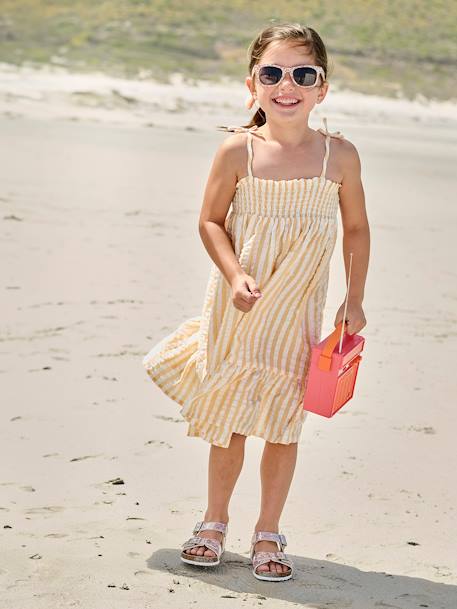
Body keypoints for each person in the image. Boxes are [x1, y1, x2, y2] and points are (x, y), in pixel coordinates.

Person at [143, 22, 369, 582]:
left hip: (296, 316)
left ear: (322, 88)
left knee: (283, 425)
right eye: (272, 73)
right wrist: (235, 272)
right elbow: (210, 221)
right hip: (238, 309)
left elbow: (357, 230)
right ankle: (213, 522)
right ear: (253, 84)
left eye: (302, 74)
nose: (286, 84)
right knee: (230, 423)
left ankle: (268, 530)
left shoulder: (337, 158)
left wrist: (354, 299)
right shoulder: (236, 151)